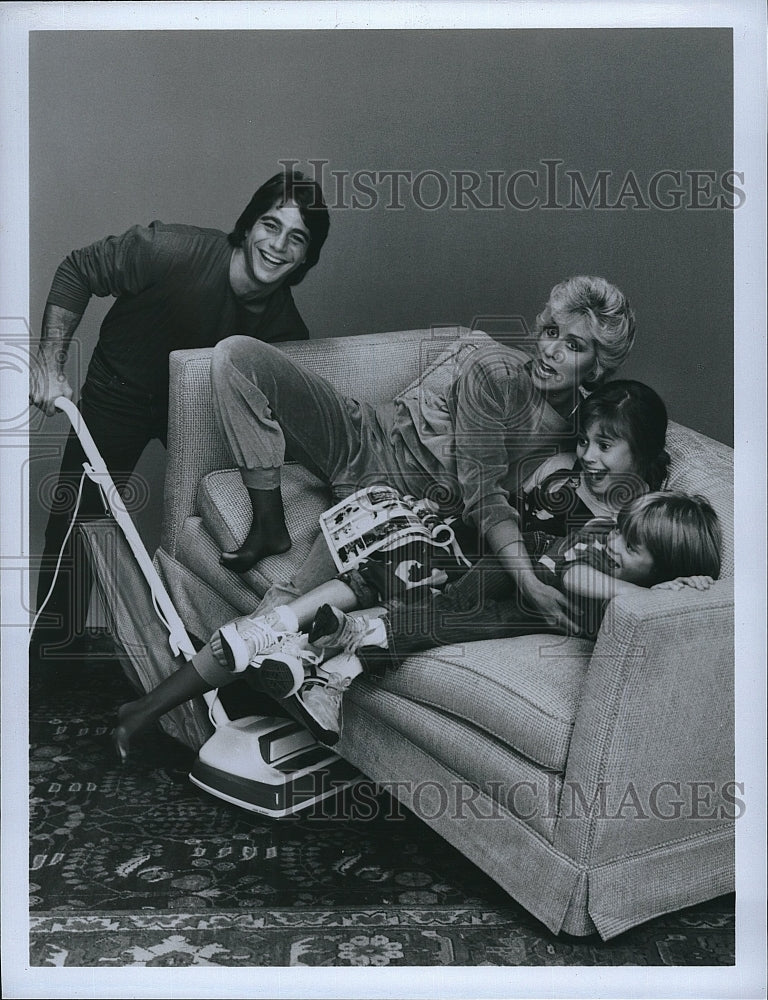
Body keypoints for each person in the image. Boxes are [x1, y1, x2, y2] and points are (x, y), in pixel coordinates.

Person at [111, 376, 679, 756]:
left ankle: (312, 662)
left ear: (645, 455)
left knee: (334, 605)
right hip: (462, 552)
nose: (587, 456)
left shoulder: (633, 523)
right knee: (330, 587)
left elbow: (576, 578)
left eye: (606, 446)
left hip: (485, 587)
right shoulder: (560, 470)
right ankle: (153, 706)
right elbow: (491, 512)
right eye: (586, 441)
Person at [210, 275, 637, 637]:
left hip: (395, 504)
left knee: (291, 609)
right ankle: (269, 524)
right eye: (550, 332)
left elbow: (618, 501)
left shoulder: (588, 436)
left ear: (597, 367)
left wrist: (678, 580)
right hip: (364, 436)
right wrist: (527, 581)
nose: (551, 351)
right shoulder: (495, 370)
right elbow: (483, 490)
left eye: (574, 346)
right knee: (238, 355)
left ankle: (224, 681)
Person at [29, 168, 330, 662]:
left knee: (207, 522)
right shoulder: (169, 250)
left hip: (192, 417)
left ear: (306, 258)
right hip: (118, 390)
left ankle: (206, 652)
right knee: (77, 518)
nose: (278, 246)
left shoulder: (285, 331)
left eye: (296, 239)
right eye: (270, 225)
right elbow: (76, 269)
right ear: (249, 224)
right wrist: (48, 364)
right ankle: (51, 652)